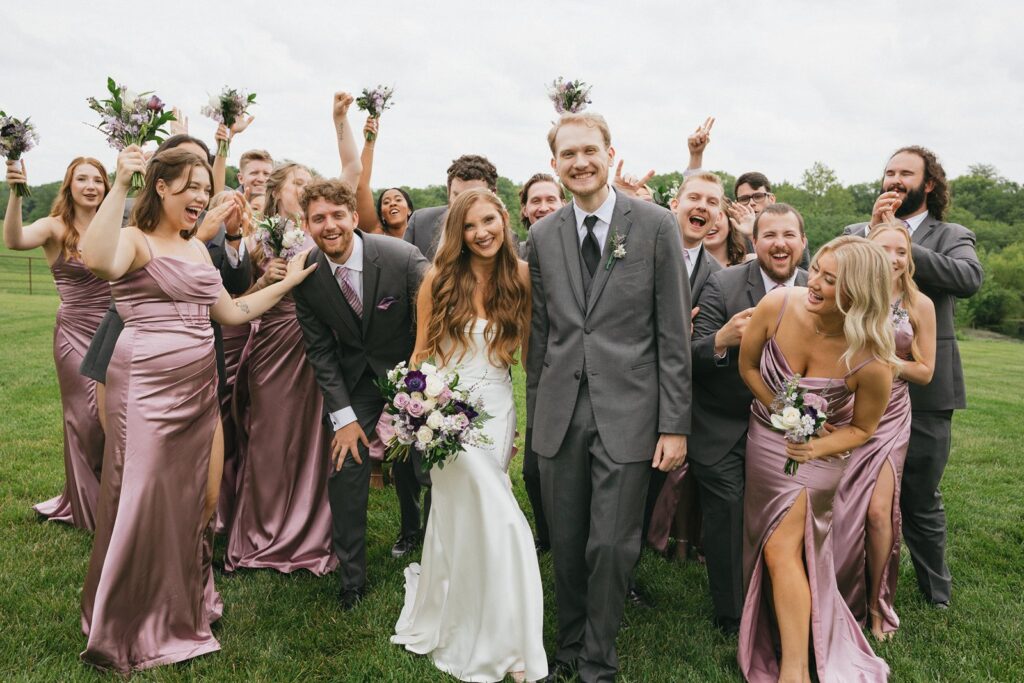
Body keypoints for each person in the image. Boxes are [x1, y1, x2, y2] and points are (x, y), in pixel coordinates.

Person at [78, 146, 316, 672]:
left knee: (203, 498)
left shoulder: (195, 249)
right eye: (191, 188)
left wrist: (290, 282)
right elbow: (97, 260)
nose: (201, 198)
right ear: (160, 187)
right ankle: (128, 619)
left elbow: (233, 312)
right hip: (145, 386)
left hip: (199, 385)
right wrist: (119, 184)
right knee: (145, 498)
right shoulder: (136, 241)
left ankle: (185, 605)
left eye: (205, 190)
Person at [527, 112, 691, 683]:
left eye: (589, 150)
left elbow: (674, 332)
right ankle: (567, 648)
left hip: (631, 413)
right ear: (554, 164)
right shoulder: (542, 234)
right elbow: (542, 336)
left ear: (608, 152)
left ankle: (598, 660)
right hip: (559, 414)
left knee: (613, 546)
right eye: (567, 154)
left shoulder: (654, 224)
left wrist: (675, 424)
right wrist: (536, 416)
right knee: (568, 543)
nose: (579, 162)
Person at [391, 188, 546, 682]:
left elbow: (538, 347)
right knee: (486, 514)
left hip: (497, 407)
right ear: (458, 233)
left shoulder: (520, 277)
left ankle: (506, 630)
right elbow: (420, 352)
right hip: (446, 406)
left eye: (490, 221)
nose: (483, 233)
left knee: (487, 510)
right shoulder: (438, 278)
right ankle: (486, 626)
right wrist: (417, 409)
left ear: (504, 219)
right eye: (472, 226)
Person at [737, 235, 896, 683]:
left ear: (858, 295)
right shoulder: (778, 305)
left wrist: (814, 444)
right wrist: (782, 413)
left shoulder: (872, 360)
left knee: (781, 548)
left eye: (831, 280)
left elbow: (863, 430)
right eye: (818, 270)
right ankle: (785, 635)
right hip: (765, 443)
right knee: (771, 546)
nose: (815, 283)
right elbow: (748, 367)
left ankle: (794, 670)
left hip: (820, 459)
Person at [226, 93, 363, 576]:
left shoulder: (321, 229)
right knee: (268, 437)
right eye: (300, 182)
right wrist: (268, 278)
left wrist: (340, 120)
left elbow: (352, 168)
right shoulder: (261, 233)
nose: (309, 187)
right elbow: (243, 287)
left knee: (312, 442)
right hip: (274, 344)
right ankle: (260, 531)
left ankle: (308, 530)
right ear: (281, 190)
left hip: (317, 349)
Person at [844, 145, 983, 609]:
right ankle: (857, 585)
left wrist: (900, 243)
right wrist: (871, 236)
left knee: (920, 494)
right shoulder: (854, 233)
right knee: (858, 495)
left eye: (906, 173)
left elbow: (967, 278)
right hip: (857, 388)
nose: (894, 180)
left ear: (928, 184)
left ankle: (935, 594)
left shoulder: (951, 235)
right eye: (888, 172)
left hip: (926, 389)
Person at [291, 178, 428, 609]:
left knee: (424, 462)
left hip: (414, 369)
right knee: (344, 466)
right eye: (318, 218)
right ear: (306, 224)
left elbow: (436, 306)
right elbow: (321, 352)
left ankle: (419, 535)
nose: (328, 225)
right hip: (356, 379)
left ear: (354, 217)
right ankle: (351, 577)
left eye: (337, 215)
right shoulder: (306, 277)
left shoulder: (400, 256)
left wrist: (420, 380)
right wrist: (344, 418)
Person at [685, 203, 808, 635]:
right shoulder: (723, 285)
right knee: (729, 509)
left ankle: (788, 599)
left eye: (789, 235)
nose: (779, 243)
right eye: (770, 235)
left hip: (792, 431)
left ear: (802, 243)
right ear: (754, 242)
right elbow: (690, 358)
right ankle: (733, 613)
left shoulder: (819, 289)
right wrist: (721, 340)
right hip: (724, 424)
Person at [834, 222, 936, 641]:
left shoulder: (919, 304)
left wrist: (883, 359)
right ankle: (839, 598)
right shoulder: (850, 296)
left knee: (878, 513)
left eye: (901, 249)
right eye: (885, 248)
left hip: (891, 416)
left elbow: (926, 371)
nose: (894, 257)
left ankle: (879, 605)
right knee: (840, 510)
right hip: (847, 409)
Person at [4, 156, 110, 530]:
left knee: (114, 419)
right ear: (69, 185)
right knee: (85, 419)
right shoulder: (54, 227)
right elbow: (14, 240)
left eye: (97, 179)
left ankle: (114, 499)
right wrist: (16, 193)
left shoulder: (115, 226)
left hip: (115, 331)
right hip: (74, 332)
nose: (91, 186)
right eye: (82, 179)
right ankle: (86, 503)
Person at [645, 173, 724, 560]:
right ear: (674, 204)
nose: (703, 207)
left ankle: (645, 545)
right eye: (694, 197)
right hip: (635, 380)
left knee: (653, 482)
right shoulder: (643, 247)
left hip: (681, 390)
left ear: (719, 215)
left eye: (712, 202)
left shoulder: (719, 276)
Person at [515, 172, 566, 552]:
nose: (544, 206)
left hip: (575, 362)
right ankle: (547, 534)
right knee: (533, 468)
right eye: (536, 200)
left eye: (551, 198)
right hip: (536, 365)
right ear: (524, 210)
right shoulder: (518, 254)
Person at [404, 154, 499, 260]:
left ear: (493, 194)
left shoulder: (503, 239)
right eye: (457, 196)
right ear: (448, 192)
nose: (463, 205)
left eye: (473, 198)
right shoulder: (420, 222)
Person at [354, 116, 416, 239]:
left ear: (409, 210)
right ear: (382, 215)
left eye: (398, 200)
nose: (392, 203)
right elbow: (360, 186)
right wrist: (369, 143)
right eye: (386, 202)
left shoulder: (422, 234)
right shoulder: (376, 233)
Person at [517, 172, 564, 263]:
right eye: (536, 201)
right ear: (525, 210)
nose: (543, 208)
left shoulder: (580, 249)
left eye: (550, 200)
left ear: (563, 205)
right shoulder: (513, 257)